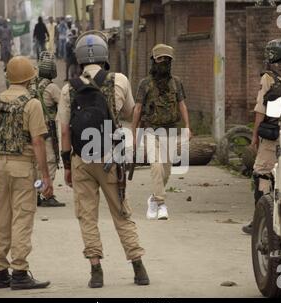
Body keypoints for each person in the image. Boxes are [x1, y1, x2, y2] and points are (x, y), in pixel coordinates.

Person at [58, 30, 150, 288]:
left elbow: (65, 131)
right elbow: (133, 112)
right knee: (122, 213)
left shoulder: (69, 89)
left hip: (81, 160)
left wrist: (67, 165)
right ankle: (138, 267)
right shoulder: (119, 80)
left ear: (78, 58)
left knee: (87, 216)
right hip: (111, 157)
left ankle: (96, 270)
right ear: (104, 54)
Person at [0, 56, 52, 290]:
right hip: (23, 168)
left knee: (2, 219)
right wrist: (45, 175)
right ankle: (20, 272)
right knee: (22, 218)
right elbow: (38, 142)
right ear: (30, 78)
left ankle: (1, 273)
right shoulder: (32, 103)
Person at [132, 44, 192, 221]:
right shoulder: (145, 84)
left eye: (167, 59)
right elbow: (137, 109)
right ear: (153, 60)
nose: (163, 62)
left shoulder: (176, 82)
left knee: (165, 171)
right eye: (160, 59)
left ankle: (153, 198)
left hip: (171, 131)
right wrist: (134, 133)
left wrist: (188, 126)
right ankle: (161, 203)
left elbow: (182, 105)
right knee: (156, 165)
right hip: (151, 130)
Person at [241, 38, 281, 235]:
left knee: (262, 174)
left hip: (271, 135)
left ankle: (260, 220)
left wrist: (254, 136)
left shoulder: (269, 77)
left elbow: (261, 110)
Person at [28, 51, 66, 207]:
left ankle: (36, 192)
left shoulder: (31, 85)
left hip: (31, 131)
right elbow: (64, 106)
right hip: (47, 132)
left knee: (36, 163)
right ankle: (47, 195)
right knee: (49, 162)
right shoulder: (52, 88)